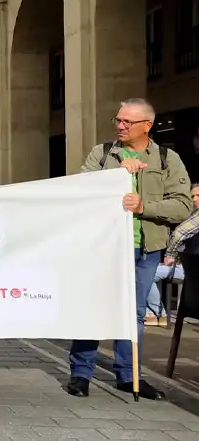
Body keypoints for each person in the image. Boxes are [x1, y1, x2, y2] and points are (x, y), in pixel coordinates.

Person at [67, 98, 192, 401]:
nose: (120, 126)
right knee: (94, 307)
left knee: (134, 313)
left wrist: (144, 205)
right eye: (118, 120)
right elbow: (82, 190)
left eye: (128, 122)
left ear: (147, 125)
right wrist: (116, 176)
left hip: (146, 248)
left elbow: (183, 205)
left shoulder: (167, 158)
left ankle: (129, 376)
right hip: (105, 247)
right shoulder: (103, 153)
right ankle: (81, 374)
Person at [151, 183, 199, 325]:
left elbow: (179, 233)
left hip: (192, 271)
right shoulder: (192, 213)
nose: (195, 199)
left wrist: (170, 254)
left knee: (149, 274)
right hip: (189, 268)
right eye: (192, 196)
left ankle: (156, 314)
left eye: (198, 196)